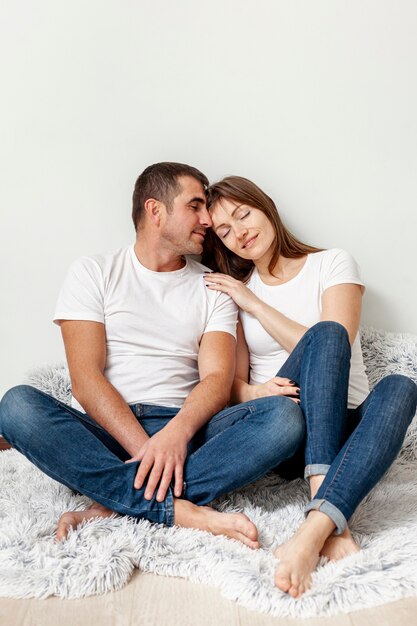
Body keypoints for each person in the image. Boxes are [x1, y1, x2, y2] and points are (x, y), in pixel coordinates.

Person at [0, 162, 309, 550]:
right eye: (195, 206)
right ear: (155, 210)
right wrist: (148, 451)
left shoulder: (212, 286)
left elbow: (216, 379)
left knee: (283, 418)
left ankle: (115, 503)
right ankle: (177, 509)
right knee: (16, 406)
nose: (207, 220)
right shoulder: (94, 272)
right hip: (111, 429)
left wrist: (175, 435)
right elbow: (85, 379)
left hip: (190, 430)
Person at [201, 175, 417, 598]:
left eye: (243, 214)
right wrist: (257, 392)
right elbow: (232, 387)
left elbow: (337, 337)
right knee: (325, 335)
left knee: (399, 385)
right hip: (291, 429)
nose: (239, 232)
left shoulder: (333, 263)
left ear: (266, 208)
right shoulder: (235, 292)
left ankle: (313, 527)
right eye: (225, 231)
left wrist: (257, 305)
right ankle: (328, 509)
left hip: (349, 428)